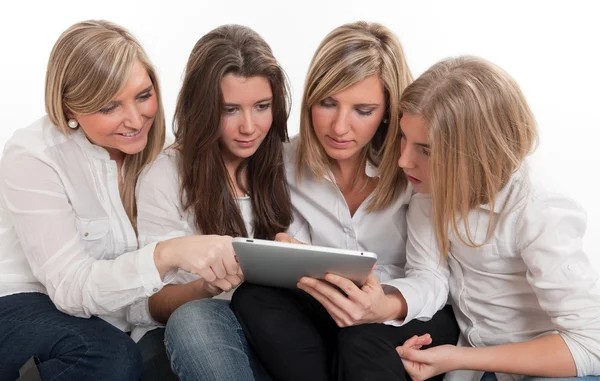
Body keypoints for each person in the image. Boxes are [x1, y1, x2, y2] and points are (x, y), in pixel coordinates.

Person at [0, 20, 233, 381]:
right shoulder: (33, 155)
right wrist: (166, 253)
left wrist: (202, 286)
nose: (136, 120)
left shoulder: (157, 159)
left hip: (111, 319)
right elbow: (70, 288)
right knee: (107, 356)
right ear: (69, 109)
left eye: (143, 96)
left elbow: (139, 298)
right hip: (22, 302)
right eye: (109, 107)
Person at [230, 21, 460, 381]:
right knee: (252, 297)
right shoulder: (284, 161)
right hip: (329, 304)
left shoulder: (414, 166)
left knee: (360, 339)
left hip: (408, 310)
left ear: (388, 110)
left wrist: (382, 304)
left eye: (363, 110)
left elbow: (431, 279)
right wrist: (289, 255)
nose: (339, 127)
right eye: (328, 103)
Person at [392, 56, 600, 381]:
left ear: (474, 151)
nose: (404, 160)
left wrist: (459, 357)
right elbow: (427, 274)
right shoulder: (429, 189)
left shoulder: (539, 207)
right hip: (476, 365)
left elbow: (591, 346)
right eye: (403, 138)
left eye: (426, 150)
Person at [135, 24, 292, 381]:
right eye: (230, 110)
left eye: (262, 106)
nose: (249, 127)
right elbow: (154, 303)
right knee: (194, 317)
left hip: (274, 326)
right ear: (203, 108)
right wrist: (205, 288)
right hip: (197, 330)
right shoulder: (167, 176)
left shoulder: (288, 163)